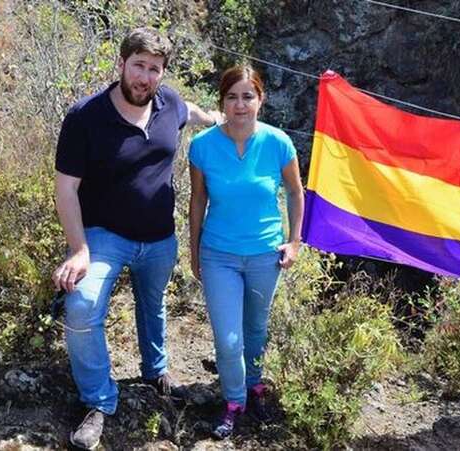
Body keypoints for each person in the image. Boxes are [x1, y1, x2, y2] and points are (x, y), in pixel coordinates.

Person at [52, 27, 221, 450]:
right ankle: (98, 401)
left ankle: (155, 372)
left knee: (153, 304)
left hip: (159, 237)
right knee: (82, 306)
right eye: (138, 66)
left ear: (163, 73)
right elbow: (65, 189)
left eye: (154, 69)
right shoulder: (85, 117)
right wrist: (79, 249)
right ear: (122, 64)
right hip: (103, 237)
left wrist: (215, 118)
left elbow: (191, 112)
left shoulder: (170, 104)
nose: (145, 77)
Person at [188, 65, 304, 439]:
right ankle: (234, 401)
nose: (240, 105)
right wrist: (194, 250)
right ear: (222, 101)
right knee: (228, 339)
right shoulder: (202, 146)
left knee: (255, 328)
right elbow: (197, 201)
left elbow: (296, 192)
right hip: (218, 254)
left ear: (260, 99)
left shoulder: (278, 143)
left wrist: (295, 241)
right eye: (232, 97)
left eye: (247, 97)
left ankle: (254, 385)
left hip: (264, 255)